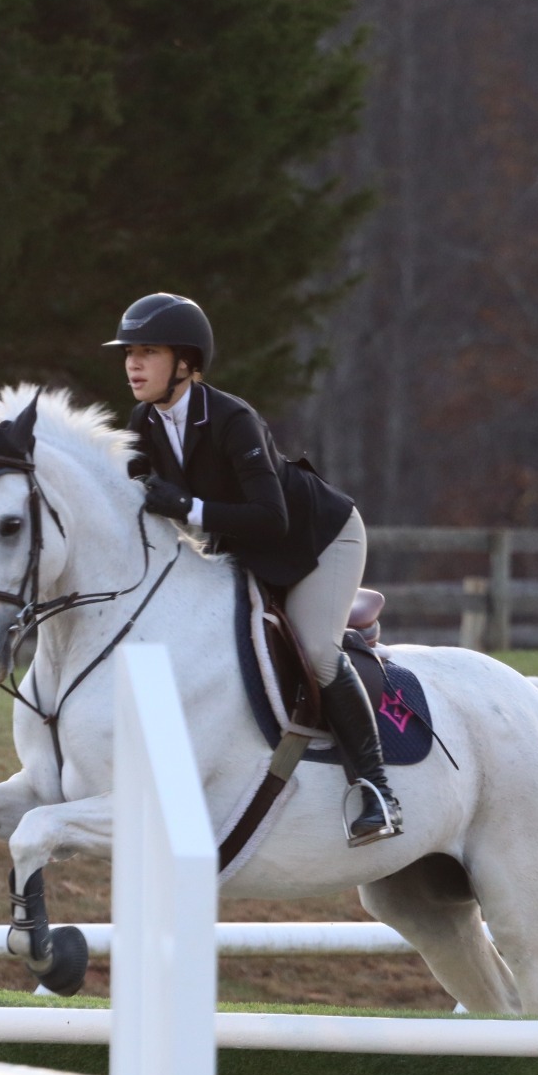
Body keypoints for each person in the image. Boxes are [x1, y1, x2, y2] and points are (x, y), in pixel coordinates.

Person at [104, 292, 401, 846]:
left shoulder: (233, 419)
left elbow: (271, 516)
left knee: (316, 649)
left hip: (317, 539)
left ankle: (376, 788)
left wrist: (186, 508)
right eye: (128, 353)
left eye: (147, 351)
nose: (132, 364)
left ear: (186, 363)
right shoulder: (143, 420)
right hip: (239, 546)